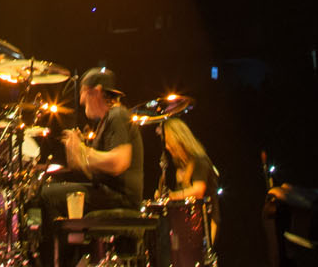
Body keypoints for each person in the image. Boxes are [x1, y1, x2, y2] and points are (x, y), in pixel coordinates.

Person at [37, 67, 144, 264]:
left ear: (96, 91)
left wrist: (83, 151)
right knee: (50, 192)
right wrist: (76, 152)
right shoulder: (107, 120)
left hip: (120, 197)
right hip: (109, 192)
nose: (81, 101)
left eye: (83, 94)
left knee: (46, 196)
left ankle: (59, 261)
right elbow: (89, 167)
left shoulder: (117, 115)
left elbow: (119, 162)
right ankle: (70, 257)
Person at [158, 117, 220, 262]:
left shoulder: (200, 161)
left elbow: (198, 191)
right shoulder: (179, 166)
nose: (167, 147)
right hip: (184, 227)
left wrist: (172, 196)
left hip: (203, 224)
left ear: (179, 140)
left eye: (169, 142)